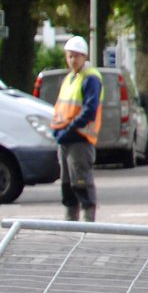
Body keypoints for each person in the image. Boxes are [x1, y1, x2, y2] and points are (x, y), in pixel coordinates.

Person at [50, 35, 101, 222]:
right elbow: (62, 107)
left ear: (84, 57)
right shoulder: (70, 78)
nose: (72, 60)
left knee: (81, 181)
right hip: (65, 137)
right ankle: (70, 220)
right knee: (67, 184)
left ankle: (88, 220)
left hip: (80, 137)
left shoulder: (90, 78)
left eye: (76, 56)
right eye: (70, 56)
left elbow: (90, 109)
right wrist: (56, 130)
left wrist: (71, 127)